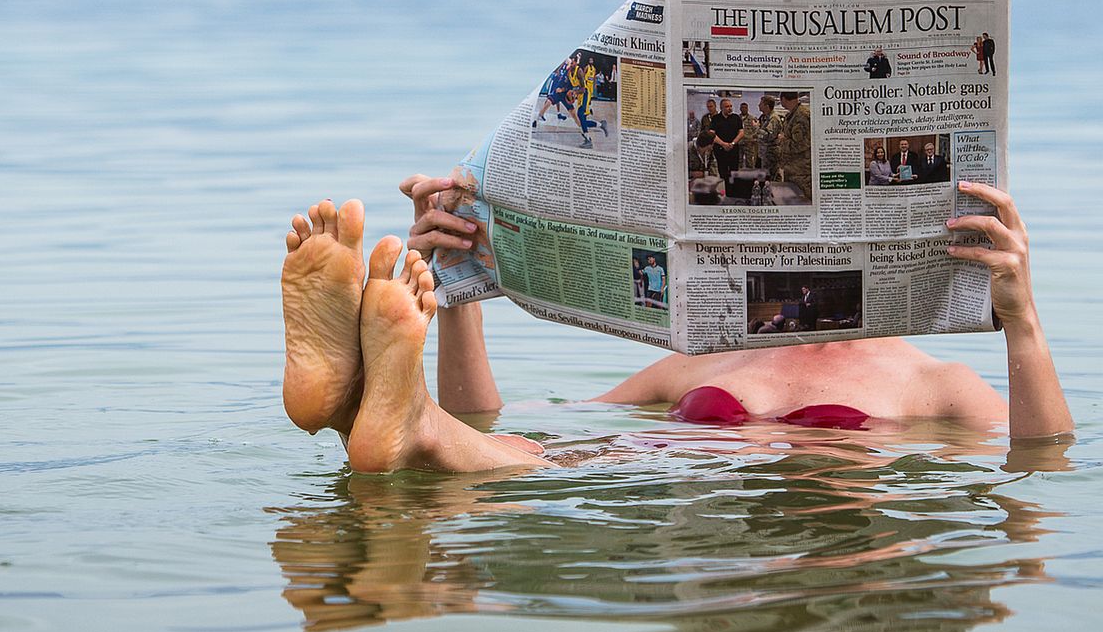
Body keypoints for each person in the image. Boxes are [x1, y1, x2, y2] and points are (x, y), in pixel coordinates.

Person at [279, 175, 1072, 473]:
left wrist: (1023, 322)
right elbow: (498, 419)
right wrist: (459, 288)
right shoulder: (705, 358)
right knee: (536, 453)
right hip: (640, 474)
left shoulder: (934, 383)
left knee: (507, 464)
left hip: (829, 561)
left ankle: (379, 407)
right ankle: (377, 403)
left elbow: (1042, 461)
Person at [776, 92, 811, 199]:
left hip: (800, 171)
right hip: (792, 168)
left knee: (802, 201)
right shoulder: (793, 114)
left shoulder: (801, 116)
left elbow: (801, 144)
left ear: (783, 99)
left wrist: (782, 140)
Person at [709, 98, 744, 183]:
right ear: (721, 108)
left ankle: (734, 191)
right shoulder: (716, 119)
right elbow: (712, 134)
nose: (730, 108)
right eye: (727, 106)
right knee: (723, 173)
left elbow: (741, 132)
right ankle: (725, 191)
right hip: (720, 150)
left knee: (734, 173)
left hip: (733, 149)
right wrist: (723, 144)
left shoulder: (736, 118)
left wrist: (732, 143)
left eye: (731, 106)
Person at [758, 95, 785, 180]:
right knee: (770, 176)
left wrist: (757, 128)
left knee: (772, 177)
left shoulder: (773, 119)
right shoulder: (767, 118)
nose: (758, 105)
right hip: (767, 152)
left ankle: (775, 192)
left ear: (766, 106)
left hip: (771, 153)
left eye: (760, 104)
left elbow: (769, 136)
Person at [738, 102, 760, 169]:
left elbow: (756, 129)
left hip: (749, 143)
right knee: (739, 161)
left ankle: (750, 177)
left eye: (745, 108)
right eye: (742, 108)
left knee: (749, 161)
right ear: (740, 109)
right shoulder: (737, 118)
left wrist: (752, 137)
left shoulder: (752, 118)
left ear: (747, 109)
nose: (744, 109)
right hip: (739, 143)